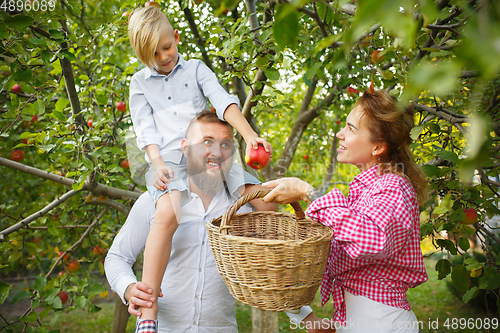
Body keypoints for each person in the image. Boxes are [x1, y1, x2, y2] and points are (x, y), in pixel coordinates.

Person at [105, 112, 332, 333]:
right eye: (207, 142)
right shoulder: (156, 202)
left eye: (225, 145)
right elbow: (117, 257)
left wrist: (310, 321)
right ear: (185, 147)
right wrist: (128, 287)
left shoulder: (244, 211)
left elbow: (267, 273)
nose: (217, 151)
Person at [127, 6, 272, 332]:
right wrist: (157, 164)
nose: (164, 56)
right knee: (167, 213)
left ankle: (279, 277)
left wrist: (249, 136)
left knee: (264, 198)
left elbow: (223, 101)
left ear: (176, 37)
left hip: (206, 155)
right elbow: (145, 130)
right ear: (141, 56)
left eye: (167, 46)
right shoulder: (139, 84)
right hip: (169, 163)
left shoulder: (195, 69)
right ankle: (148, 314)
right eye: (154, 53)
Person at [262, 89, 429, 333]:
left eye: (351, 129)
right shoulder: (364, 192)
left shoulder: (393, 186)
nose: (340, 133)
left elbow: (372, 239)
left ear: (378, 147)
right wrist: (297, 305)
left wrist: (308, 192)